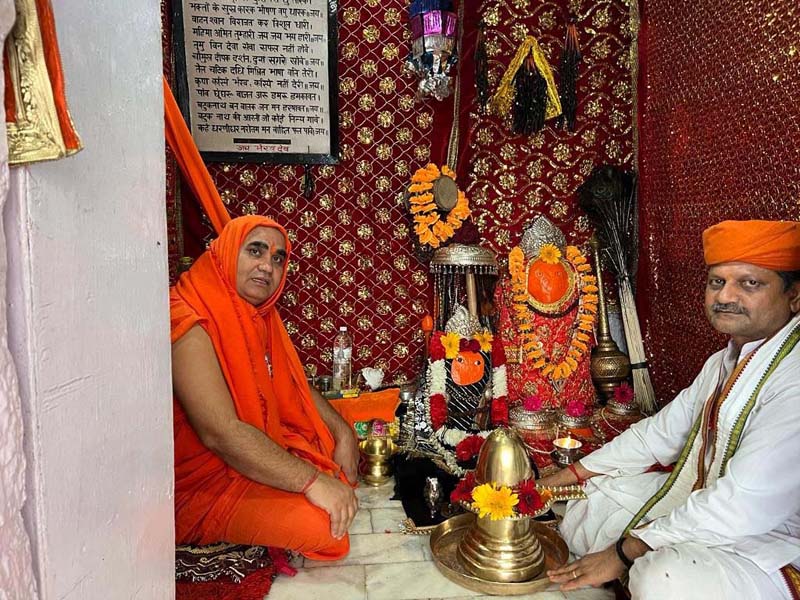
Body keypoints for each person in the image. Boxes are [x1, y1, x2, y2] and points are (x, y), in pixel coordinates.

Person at [541, 220, 800, 599]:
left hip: (772, 544)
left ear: (794, 296)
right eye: (717, 282)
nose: (725, 296)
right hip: (711, 500)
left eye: (750, 283)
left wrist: (622, 553)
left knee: (661, 577)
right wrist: (571, 474)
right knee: (595, 496)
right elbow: (660, 434)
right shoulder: (723, 361)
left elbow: (744, 504)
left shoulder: (793, 377)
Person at [170, 215, 359, 561]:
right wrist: (313, 482)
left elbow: (294, 385)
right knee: (326, 529)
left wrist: (344, 433)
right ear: (225, 252)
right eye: (254, 251)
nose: (266, 267)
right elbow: (221, 434)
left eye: (277, 258)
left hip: (247, 457)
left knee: (335, 459)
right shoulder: (187, 317)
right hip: (202, 486)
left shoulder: (258, 315)